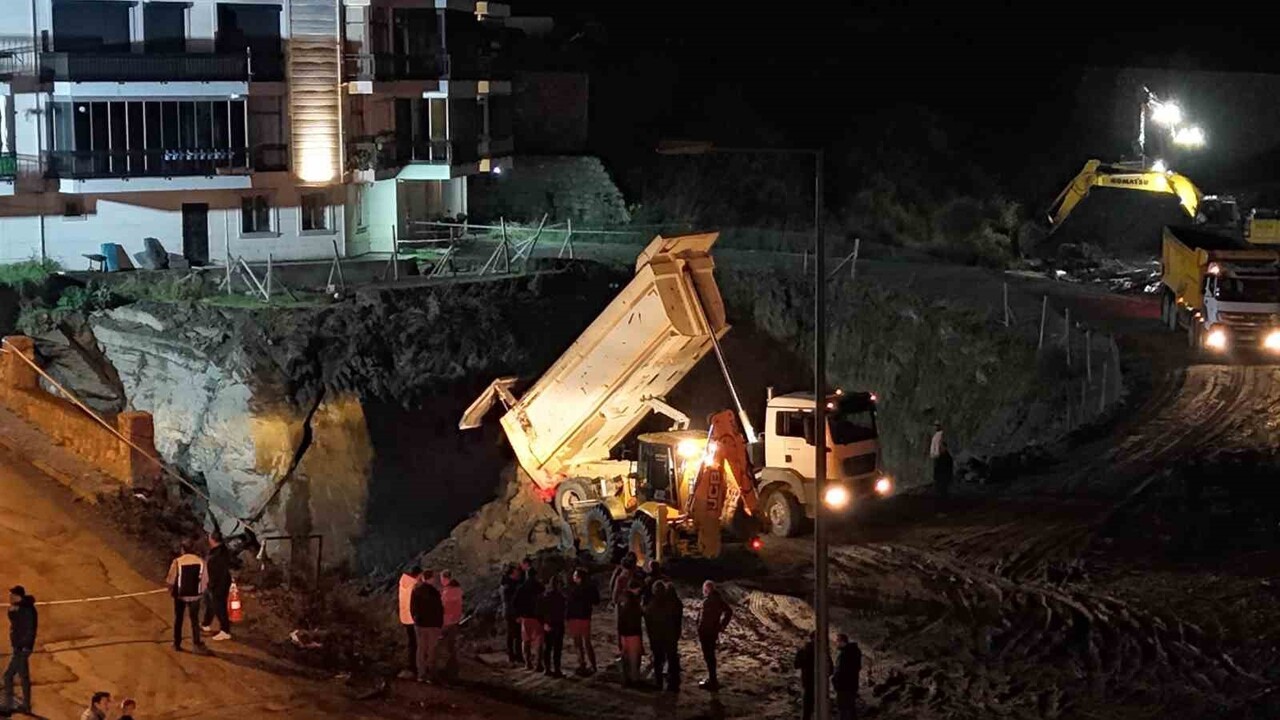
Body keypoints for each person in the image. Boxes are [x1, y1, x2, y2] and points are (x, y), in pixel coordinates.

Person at [166, 540, 208, 652]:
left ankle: (177, 643)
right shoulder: (201, 562)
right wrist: (200, 592)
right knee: (194, 620)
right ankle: (196, 643)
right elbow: (205, 580)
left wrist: (170, 590)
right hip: (195, 596)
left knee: (178, 619)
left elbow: (171, 579)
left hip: (180, 596)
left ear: (182, 549)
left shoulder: (177, 561)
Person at [2, 586, 36, 714]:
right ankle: (26, 706)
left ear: (18, 596)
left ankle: (7, 706)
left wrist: (23, 646)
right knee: (23, 676)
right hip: (22, 648)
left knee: (7, 676)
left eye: (12, 596)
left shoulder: (24, 610)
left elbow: (28, 630)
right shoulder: (23, 608)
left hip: (21, 649)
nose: (9, 598)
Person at [645, 581, 682, 692]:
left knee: (658, 660)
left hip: (657, 637)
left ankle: (658, 682)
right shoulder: (671, 604)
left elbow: (648, 625)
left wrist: (651, 638)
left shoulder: (651, 605)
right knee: (672, 659)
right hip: (670, 636)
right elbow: (677, 620)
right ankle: (674, 683)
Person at [697, 580, 733, 691]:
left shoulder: (710, 601)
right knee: (710, 656)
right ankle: (712, 678)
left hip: (707, 632)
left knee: (709, 656)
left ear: (707, 589)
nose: (703, 592)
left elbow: (728, 611)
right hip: (711, 631)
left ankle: (713, 680)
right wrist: (721, 626)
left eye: (704, 589)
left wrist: (721, 625)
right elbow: (728, 611)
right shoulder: (717, 599)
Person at [411, 570, 444, 683]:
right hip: (433, 625)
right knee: (432, 650)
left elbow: (413, 608)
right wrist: (440, 625)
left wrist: (415, 619)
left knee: (421, 650)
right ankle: (431, 675)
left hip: (420, 624)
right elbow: (439, 610)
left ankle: (421, 674)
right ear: (431, 579)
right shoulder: (435, 593)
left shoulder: (416, 591)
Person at [565, 568, 599, 676]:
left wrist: (566, 617)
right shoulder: (591, 588)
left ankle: (582, 664)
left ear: (579, 577)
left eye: (575, 575)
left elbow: (568, 604)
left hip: (574, 618)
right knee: (587, 642)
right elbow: (596, 601)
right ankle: (593, 665)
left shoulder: (572, 589)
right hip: (585, 617)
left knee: (578, 643)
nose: (573, 577)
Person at [201, 533, 234, 641]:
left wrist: (211, 584)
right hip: (216, 583)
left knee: (219, 606)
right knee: (210, 603)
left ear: (212, 540)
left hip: (219, 584)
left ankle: (225, 630)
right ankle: (206, 624)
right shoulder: (220, 551)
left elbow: (216, 572)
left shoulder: (217, 555)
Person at [513, 567, 545, 671]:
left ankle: (528, 663)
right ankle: (538, 664)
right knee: (539, 641)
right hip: (537, 617)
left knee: (525, 641)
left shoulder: (521, 587)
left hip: (525, 617)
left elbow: (515, 603)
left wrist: (518, 615)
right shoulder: (540, 587)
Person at [794, 632, 832, 720]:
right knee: (821, 708)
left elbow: (796, 665)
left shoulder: (803, 650)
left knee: (807, 709)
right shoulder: (823, 651)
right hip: (821, 684)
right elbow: (830, 669)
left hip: (808, 682)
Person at [616, 579, 645, 687]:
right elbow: (636, 616)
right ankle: (634, 679)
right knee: (633, 657)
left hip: (623, 632)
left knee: (625, 655)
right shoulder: (633, 601)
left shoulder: (621, 598)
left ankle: (625, 677)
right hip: (633, 632)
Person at [397, 566, 423, 679]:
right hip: (413, 618)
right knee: (416, 644)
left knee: (412, 643)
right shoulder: (414, 587)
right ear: (419, 575)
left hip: (405, 617)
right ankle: (415, 667)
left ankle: (412, 666)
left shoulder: (404, 583)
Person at [539, 575, 567, 677]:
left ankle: (548, 669)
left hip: (550, 624)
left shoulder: (546, 596)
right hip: (556, 623)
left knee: (548, 647)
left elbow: (540, 611)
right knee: (556, 648)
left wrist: (543, 623)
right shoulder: (560, 597)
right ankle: (556, 669)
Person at [439, 570, 464, 680]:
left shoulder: (447, 592)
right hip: (455, 620)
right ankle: (453, 671)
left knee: (448, 647)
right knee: (452, 646)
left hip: (447, 622)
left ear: (445, 578)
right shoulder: (457, 590)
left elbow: (443, 607)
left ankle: (450, 671)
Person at [833, 634, 862, 720]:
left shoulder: (845, 655)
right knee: (850, 709)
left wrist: (835, 681)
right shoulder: (854, 652)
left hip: (844, 686)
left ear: (842, 641)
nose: (836, 643)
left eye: (837, 641)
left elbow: (841, 671)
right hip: (851, 685)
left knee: (844, 710)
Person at [499, 564, 524, 666]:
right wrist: (516, 615)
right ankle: (514, 655)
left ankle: (515, 655)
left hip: (510, 612)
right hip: (511, 613)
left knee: (515, 634)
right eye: (516, 571)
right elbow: (510, 603)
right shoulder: (508, 587)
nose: (518, 572)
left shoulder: (510, 584)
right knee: (513, 634)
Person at [930, 422, 953, 498]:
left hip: (943, 478)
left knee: (942, 492)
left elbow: (948, 468)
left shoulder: (946, 457)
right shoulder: (942, 457)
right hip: (940, 478)